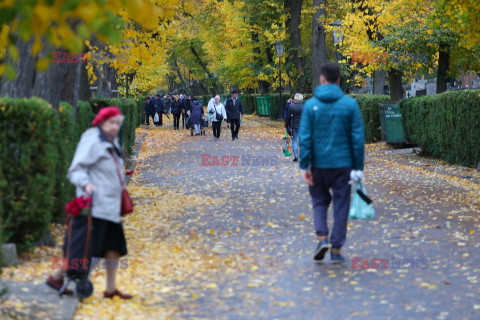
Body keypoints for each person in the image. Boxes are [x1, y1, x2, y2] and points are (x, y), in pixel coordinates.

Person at [46, 106, 132, 299]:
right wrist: (86, 185)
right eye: (111, 122)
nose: (115, 126)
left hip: (110, 207)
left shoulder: (112, 141)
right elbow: (75, 170)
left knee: (114, 248)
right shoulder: (92, 139)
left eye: (118, 123)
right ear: (101, 122)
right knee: (82, 248)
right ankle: (56, 277)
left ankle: (110, 289)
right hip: (94, 207)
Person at [299, 63, 365, 264]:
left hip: (318, 166)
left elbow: (305, 137)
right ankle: (336, 249)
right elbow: (357, 138)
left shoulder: (310, 105)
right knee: (341, 204)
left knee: (319, 201)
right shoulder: (350, 104)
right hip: (343, 165)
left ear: (322, 80)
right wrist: (358, 167)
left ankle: (322, 239)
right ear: (338, 80)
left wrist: (305, 165)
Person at [285, 93, 304, 162]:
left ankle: (296, 156)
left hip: (293, 126)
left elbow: (288, 117)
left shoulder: (291, 106)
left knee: (295, 140)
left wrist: (286, 125)